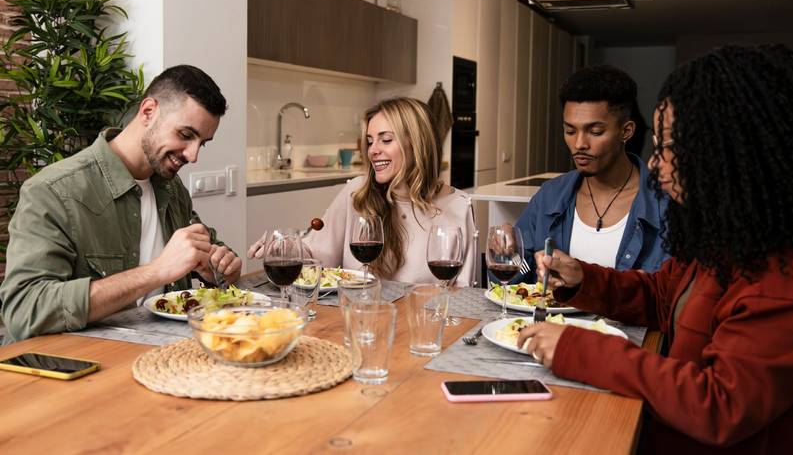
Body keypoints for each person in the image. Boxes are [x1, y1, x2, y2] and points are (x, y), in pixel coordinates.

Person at [519, 45, 793, 454]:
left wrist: (577, 348)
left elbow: (719, 406)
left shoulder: (780, 281)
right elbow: (658, 294)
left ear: (722, 151)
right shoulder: (725, 243)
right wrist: (583, 278)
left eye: (668, 148)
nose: (654, 164)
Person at [0, 65, 243, 343]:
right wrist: (156, 271)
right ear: (148, 112)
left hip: (162, 352)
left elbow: (209, 253)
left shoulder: (171, 188)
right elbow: (24, 310)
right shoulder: (53, 191)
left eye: (202, 143)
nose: (193, 155)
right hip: (77, 360)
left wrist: (221, 269)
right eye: (186, 135)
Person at [248, 97, 476, 286]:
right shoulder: (357, 192)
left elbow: (463, 295)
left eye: (385, 140)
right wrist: (289, 247)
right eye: (370, 141)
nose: (373, 150)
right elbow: (318, 252)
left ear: (417, 144)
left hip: (422, 323)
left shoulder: (458, 206)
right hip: (360, 318)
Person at [512, 64, 668, 283]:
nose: (579, 144)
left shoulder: (664, 203)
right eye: (570, 131)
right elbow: (517, 279)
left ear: (626, 131)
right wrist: (510, 253)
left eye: (595, 131)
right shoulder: (550, 195)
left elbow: (672, 293)